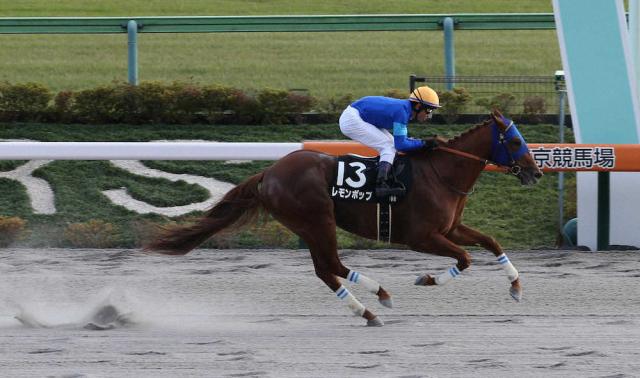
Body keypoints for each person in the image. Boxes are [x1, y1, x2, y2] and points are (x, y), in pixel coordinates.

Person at [339, 85, 441, 198]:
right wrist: (424, 143)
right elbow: (401, 145)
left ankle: (386, 175)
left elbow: (401, 142)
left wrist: (421, 143)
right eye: (429, 110)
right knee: (388, 147)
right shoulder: (402, 112)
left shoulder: (404, 110)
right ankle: (381, 184)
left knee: (391, 144)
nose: (429, 115)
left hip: (359, 115)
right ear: (418, 106)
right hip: (351, 119)